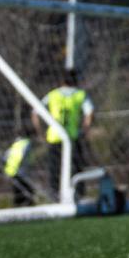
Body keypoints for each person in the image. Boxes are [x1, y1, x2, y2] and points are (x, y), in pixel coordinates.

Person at [33, 68, 95, 198]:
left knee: (55, 169)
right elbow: (90, 113)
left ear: (61, 81)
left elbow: (35, 113)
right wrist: (85, 130)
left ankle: (55, 194)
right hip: (72, 137)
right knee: (76, 167)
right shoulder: (80, 94)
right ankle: (78, 194)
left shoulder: (53, 95)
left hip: (55, 137)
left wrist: (40, 132)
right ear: (76, 80)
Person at [3, 135, 36, 206]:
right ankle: (28, 204)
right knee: (27, 190)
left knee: (18, 191)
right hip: (20, 172)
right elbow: (23, 157)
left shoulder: (12, 147)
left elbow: (4, 158)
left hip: (12, 172)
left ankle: (19, 205)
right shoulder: (26, 144)